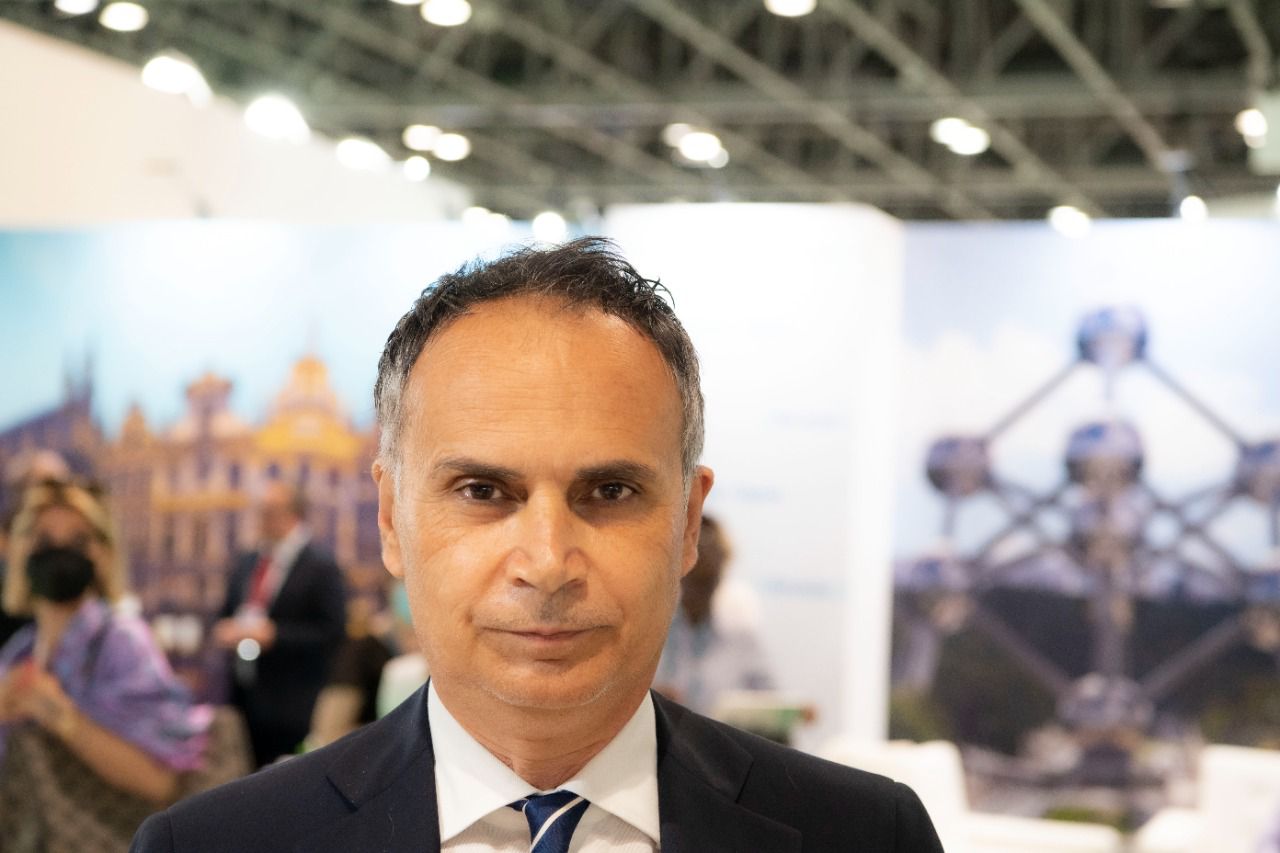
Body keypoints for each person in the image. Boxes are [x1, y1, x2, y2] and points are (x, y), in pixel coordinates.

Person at [133, 238, 942, 852]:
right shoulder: (211, 846)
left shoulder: (870, 836)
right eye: (483, 492)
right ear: (389, 519)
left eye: (610, 491)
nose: (548, 562)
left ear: (689, 523)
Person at [0, 480, 212, 850]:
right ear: (19, 550)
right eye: (44, 539)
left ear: (103, 554)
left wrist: (56, 713)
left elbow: (160, 781)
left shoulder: (121, 641)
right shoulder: (21, 650)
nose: (59, 551)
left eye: (78, 540)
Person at [212, 481, 346, 767]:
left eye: (269, 511)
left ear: (292, 513)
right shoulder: (249, 561)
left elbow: (333, 632)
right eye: (260, 511)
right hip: (246, 693)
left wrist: (276, 636)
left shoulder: (320, 566)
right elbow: (226, 613)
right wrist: (228, 630)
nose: (261, 519)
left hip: (294, 699)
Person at [654, 514, 776, 716]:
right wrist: (649, 701)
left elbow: (770, 701)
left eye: (708, 578)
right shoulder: (652, 630)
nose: (699, 589)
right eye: (693, 576)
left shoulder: (740, 634)